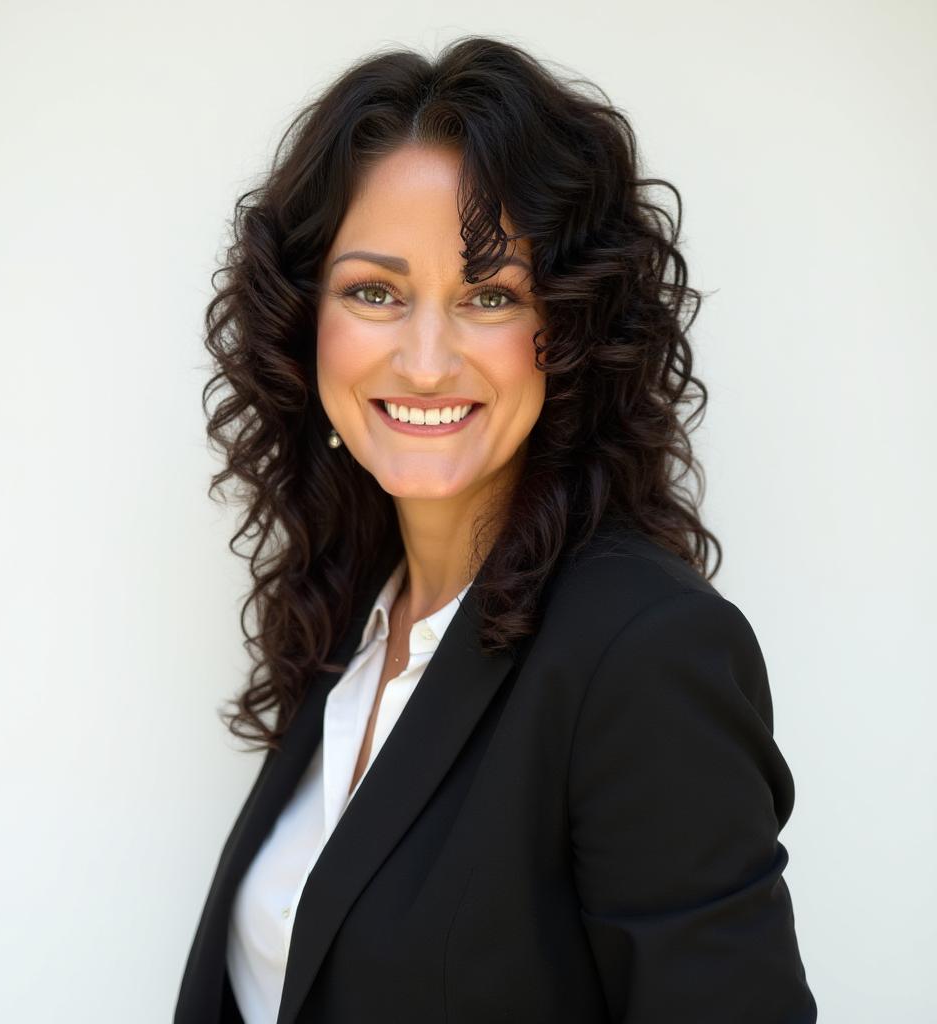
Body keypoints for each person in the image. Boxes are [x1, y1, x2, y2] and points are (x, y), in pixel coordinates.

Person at [174, 35, 817, 1024]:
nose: (426, 361)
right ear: (305, 321)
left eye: (490, 295)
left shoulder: (644, 655)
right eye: (375, 291)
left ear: (572, 328)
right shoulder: (351, 617)